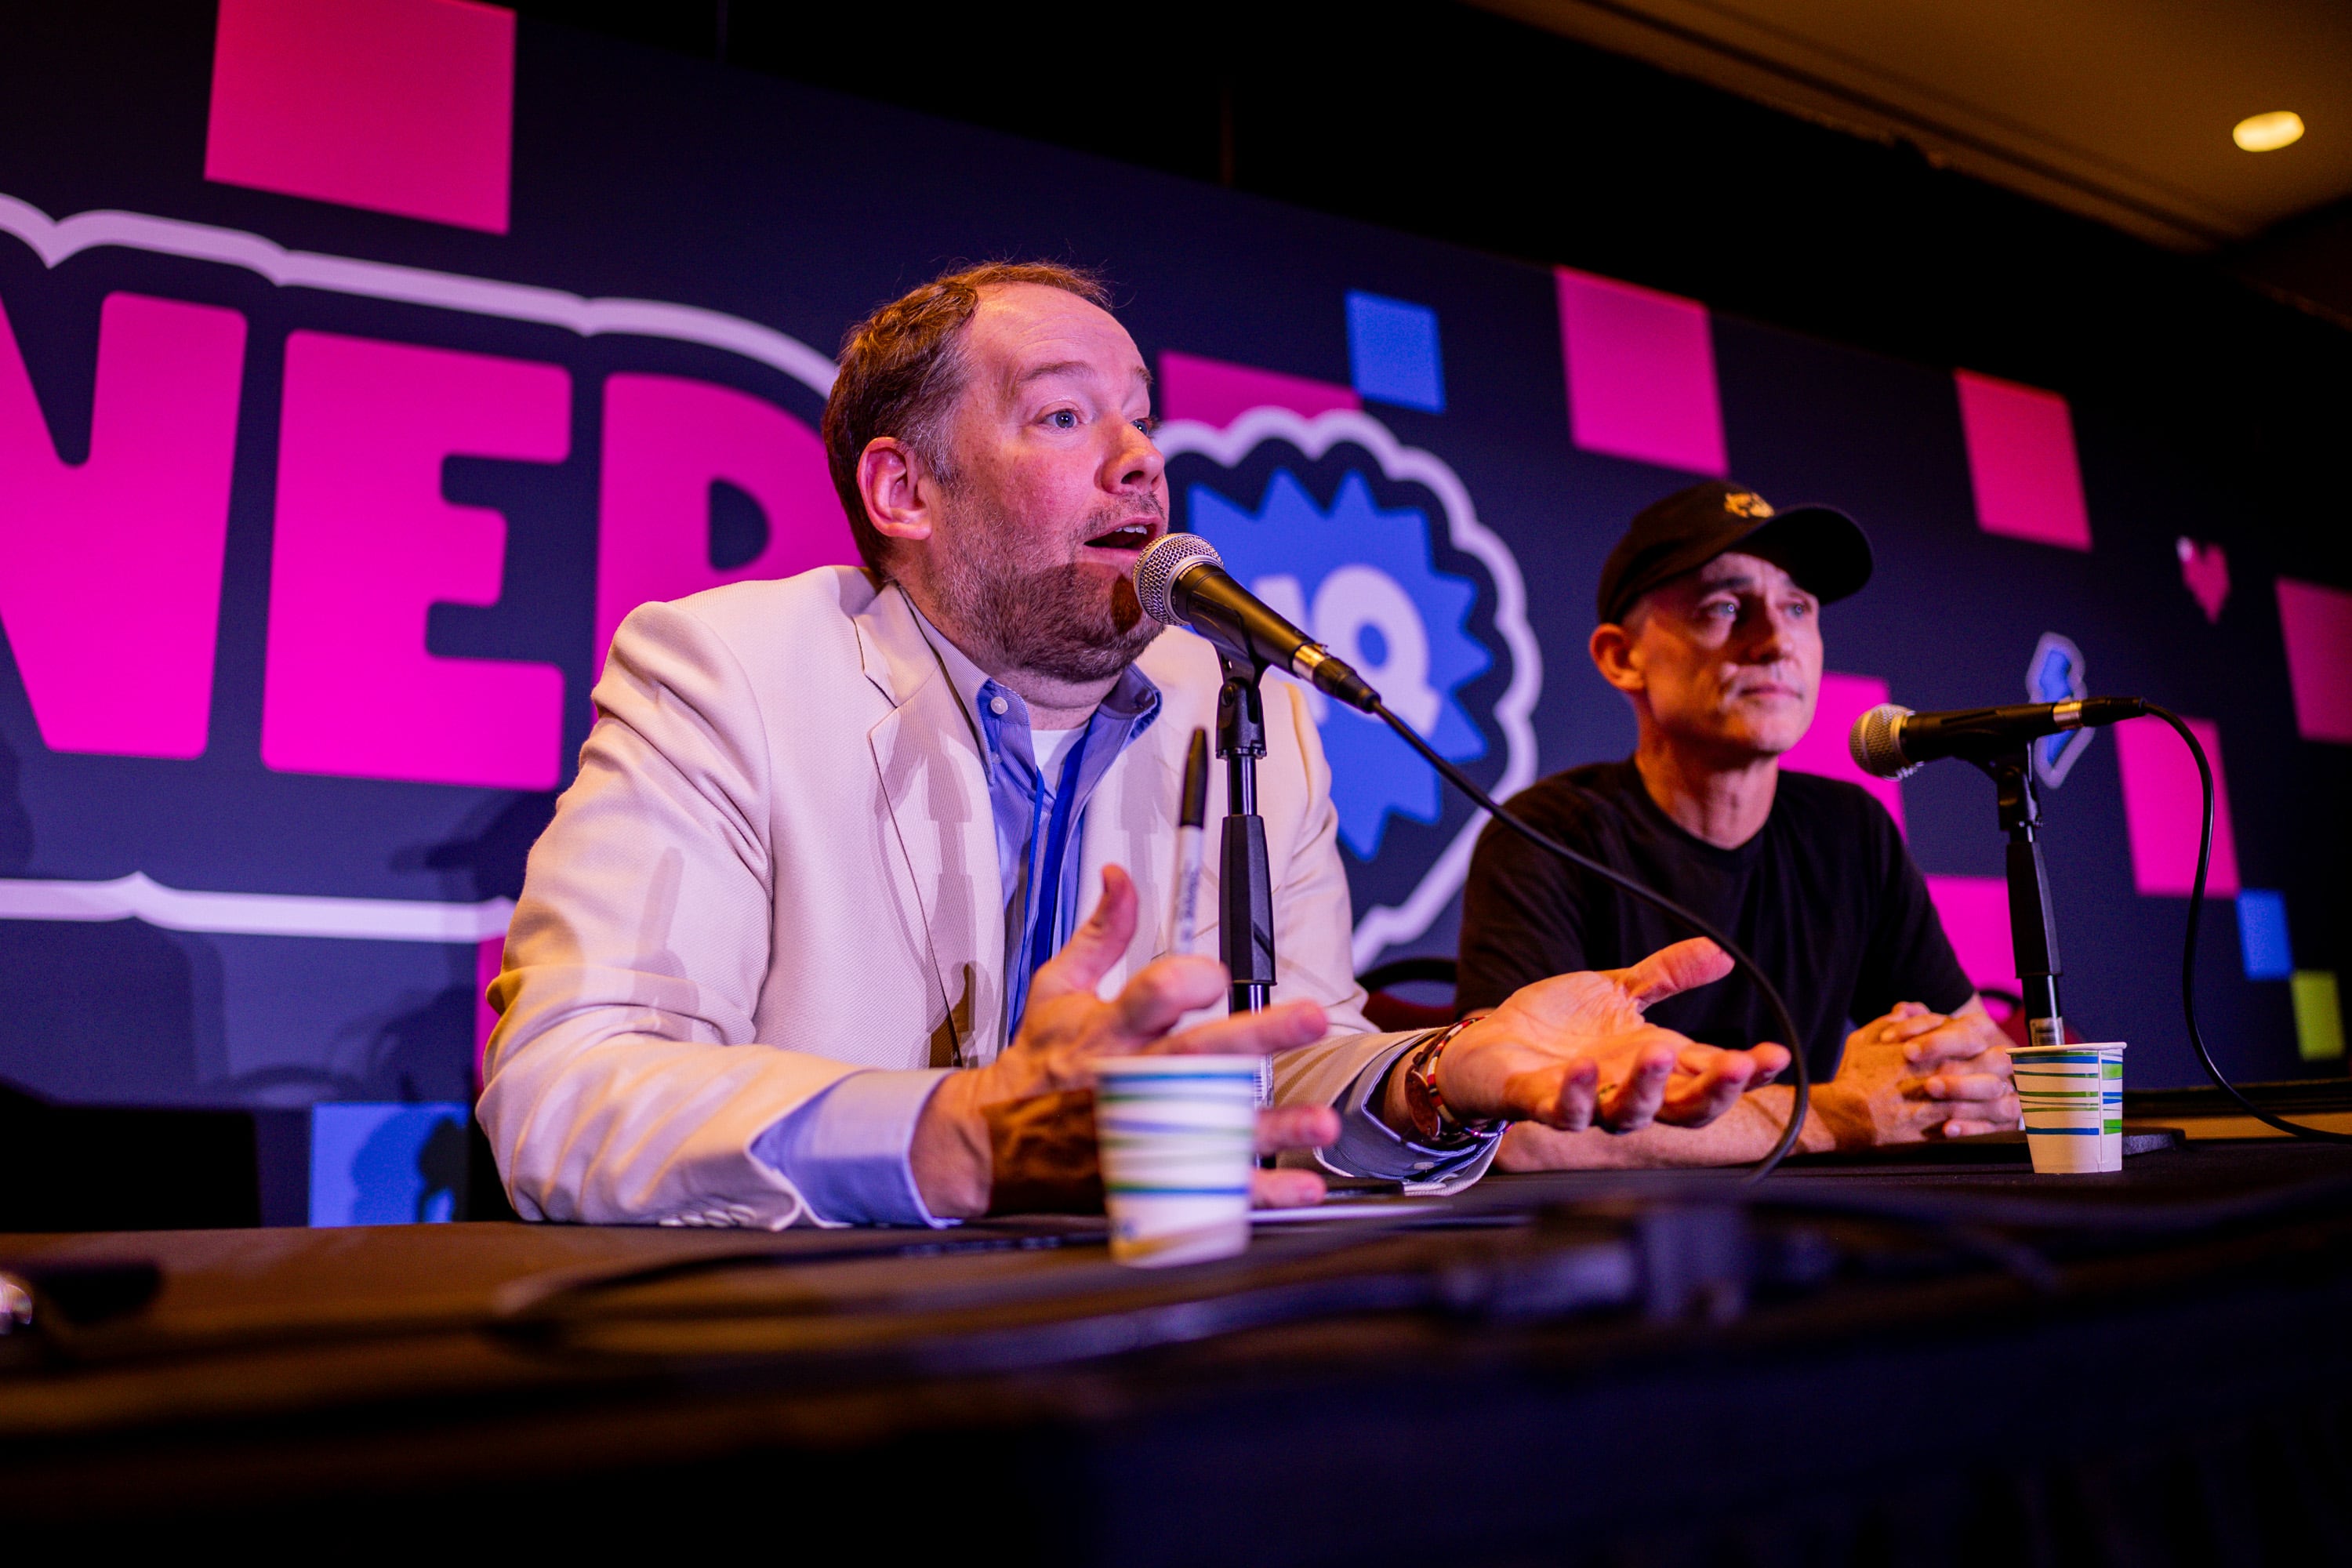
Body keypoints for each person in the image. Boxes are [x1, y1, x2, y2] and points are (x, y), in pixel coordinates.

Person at [478, 264, 1789, 1228]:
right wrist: (959, 1142)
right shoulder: (726, 669)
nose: (1140, 459)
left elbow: (1288, 1067)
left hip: (1138, 1368)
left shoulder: (1253, 704)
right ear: (902, 492)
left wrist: (1436, 1078)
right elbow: (567, 1091)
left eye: (1139, 413)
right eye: (1062, 416)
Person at [1456, 481, 2019, 1170]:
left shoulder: (1851, 831)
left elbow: (1982, 1060)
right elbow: (1513, 1131)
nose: (1776, 640)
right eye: (1725, 606)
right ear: (1620, 656)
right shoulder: (1544, 836)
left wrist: (1955, 1077)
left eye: (1798, 607)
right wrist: (1842, 1110)